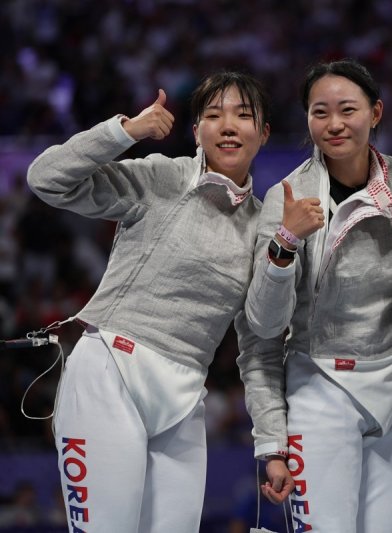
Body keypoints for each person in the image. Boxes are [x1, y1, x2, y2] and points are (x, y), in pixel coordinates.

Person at [26, 71, 292, 532]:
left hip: (185, 395)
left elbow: (261, 349)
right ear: (196, 131)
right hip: (111, 373)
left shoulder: (265, 225)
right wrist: (124, 131)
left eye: (243, 116)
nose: (228, 126)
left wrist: (272, 443)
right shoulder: (162, 177)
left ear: (264, 133)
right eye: (213, 115)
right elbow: (46, 179)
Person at [245, 59, 392, 532]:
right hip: (318, 386)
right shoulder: (285, 195)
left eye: (347, 109)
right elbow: (264, 326)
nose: (334, 124)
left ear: (376, 112)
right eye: (319, 112)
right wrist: (285, 242)